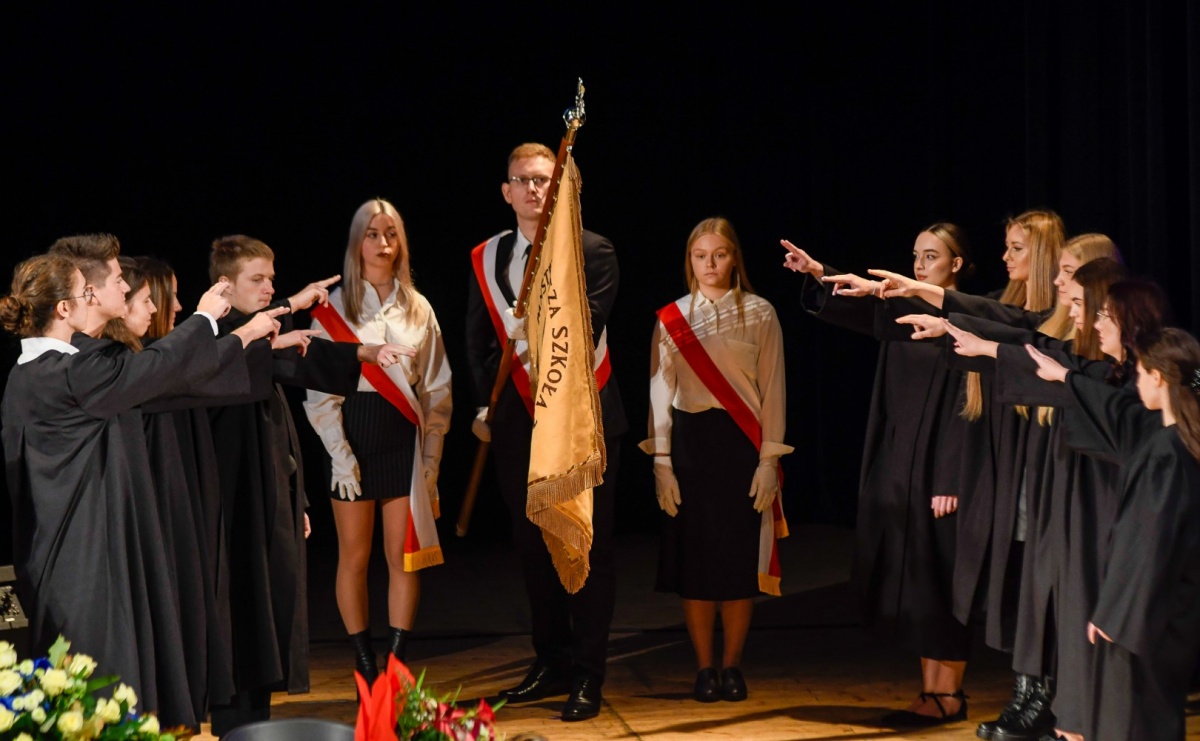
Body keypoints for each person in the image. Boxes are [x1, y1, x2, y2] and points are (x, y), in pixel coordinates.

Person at [0, 245, 279, 729]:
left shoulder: (36, 373)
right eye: (90, 289)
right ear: (64, 308)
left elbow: (163, 379)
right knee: (96, 681)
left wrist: (246, 335)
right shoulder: (68, 373)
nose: (111, 291)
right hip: (79, 564)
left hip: (71, 554)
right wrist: (204, 320)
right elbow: (148, 370)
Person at [204, 235, 412, 734]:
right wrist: (350, 342)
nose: (269, 288)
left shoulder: (250, 336)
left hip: (263, 493)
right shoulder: (213, 343)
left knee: (264, 611)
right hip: (230, 504)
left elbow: (290, 356)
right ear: (223, 286)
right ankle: (236, 723)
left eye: (272, 279)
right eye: (258, 280)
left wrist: (287, 498)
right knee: (237, 612)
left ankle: (251, 720)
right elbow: (281, 356)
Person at [781, 223, 976, 725]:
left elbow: (969, 407)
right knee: (916, 579)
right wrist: (820, 273)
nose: (918, 265)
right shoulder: (901, 310)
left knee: (942, 578)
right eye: (915, 255)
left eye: (931, 256)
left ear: (955, 264)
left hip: (942, 466)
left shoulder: (971, 316)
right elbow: (858, 308)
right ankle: (931, 689)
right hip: (901, 459)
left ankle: (951, 692)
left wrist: (952, 477)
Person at [465, 142, 627, 722]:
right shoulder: (488, 257)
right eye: (522, 180)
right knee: (533, 548)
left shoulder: (592, 250)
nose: (535, 189)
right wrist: (498, 398)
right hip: (520, 421)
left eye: (544, 179)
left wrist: (528, 325)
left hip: (581, 422)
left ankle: (589, 673)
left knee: (588, 545)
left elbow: (583, 332)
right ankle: (551, 659)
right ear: (506, 191)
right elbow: (478, 344)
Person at [1025, 329, 1200, 740]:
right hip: (1168, 614)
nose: (1136, 381)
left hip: (1142, 622)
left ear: (1158, 377)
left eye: (1140, 371)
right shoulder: (1181, 446)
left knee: (1131, 721)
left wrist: (1114, 616)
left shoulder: (1167, 453)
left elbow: (1148, 542)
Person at [304, 198, 451, 684]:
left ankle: (396, 659)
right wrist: (340, 458)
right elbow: (319, 394)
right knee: (355, 556)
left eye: (391, 234)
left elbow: (436, 389)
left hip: (401, 440)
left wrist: (430, 459)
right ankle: (362, 658)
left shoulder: (419, 307)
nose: (383, 244)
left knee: (402, 556)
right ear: (356, 242)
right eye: (372, 234)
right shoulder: (333, 308)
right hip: (350, 439)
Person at [643, 217, 790, 703]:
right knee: (696, 564)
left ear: (734, 259)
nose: (709, 264)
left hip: (740, 447)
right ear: (689, 260)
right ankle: (704, 668)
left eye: (719, 254)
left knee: (736, 564)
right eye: (700, 255)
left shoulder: (762, 313)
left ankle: (733, 667)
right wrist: (661, 460)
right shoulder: (671, 318)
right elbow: (660, 392)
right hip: (689, 446)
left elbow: (773, 393)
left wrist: (769, 460)